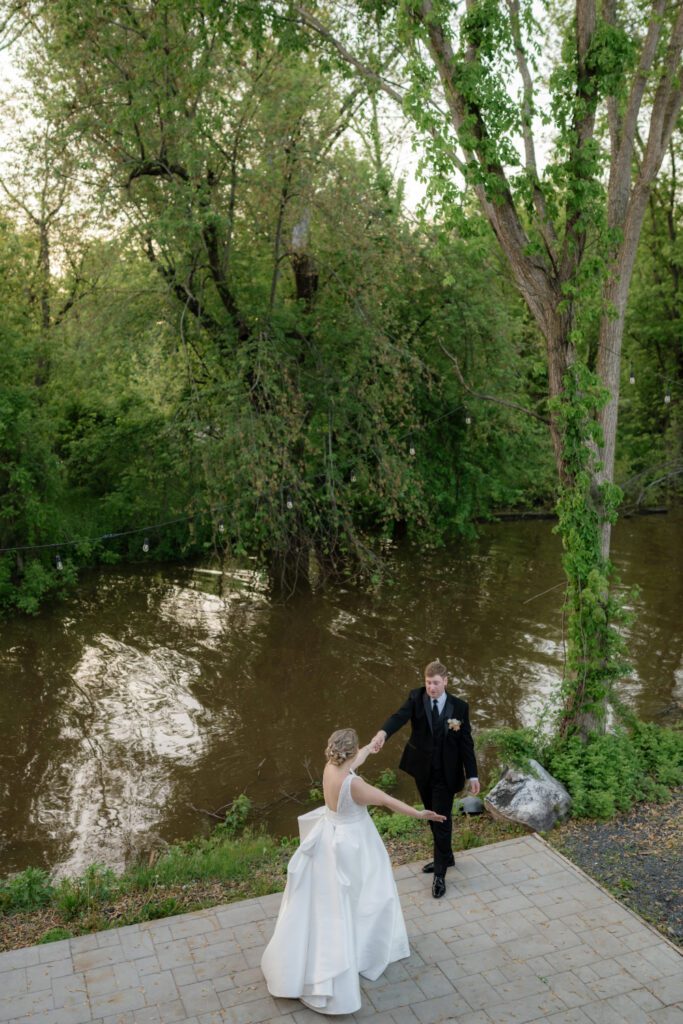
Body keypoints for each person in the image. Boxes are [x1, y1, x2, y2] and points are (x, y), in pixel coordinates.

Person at [260, 728, 446, 1015]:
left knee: (333, 900)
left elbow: (354, 761)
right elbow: (386, 799)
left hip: (329, 836)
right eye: (357, 749)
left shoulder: (329, 768)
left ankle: (343, 945)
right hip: (354, 844)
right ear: (348, 752)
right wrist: (420, 814)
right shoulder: (353, 785)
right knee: (370, 894)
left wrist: (371, 747)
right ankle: (364, 950)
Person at [370, 659, 479, 899]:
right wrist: (382, 734)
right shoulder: (416, 698)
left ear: (446, 681)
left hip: (447, 772)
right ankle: (447, 856)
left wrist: (473, 774)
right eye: (428, 682)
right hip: (423, 770)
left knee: (441, 820)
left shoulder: (459, 707)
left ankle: (440, 874)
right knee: (431, 815)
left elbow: (466, 742)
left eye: (436, 683)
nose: (431, 687)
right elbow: (398, 717)